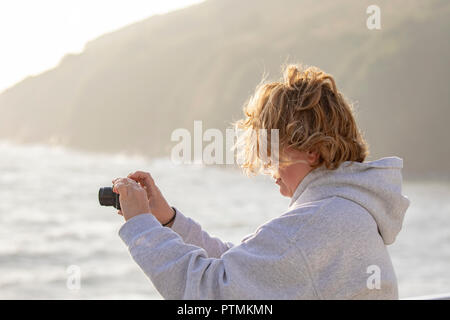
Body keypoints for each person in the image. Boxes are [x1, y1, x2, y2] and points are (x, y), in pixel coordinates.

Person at [112, 64, 410, 299]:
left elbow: (211, 293)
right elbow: (244, 270)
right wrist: (168, 221)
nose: (267, 165)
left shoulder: (314, 225)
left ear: (312, 149)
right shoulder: (346, 211)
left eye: (271, 149)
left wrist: (142, 227)